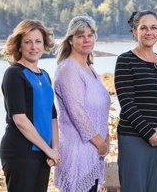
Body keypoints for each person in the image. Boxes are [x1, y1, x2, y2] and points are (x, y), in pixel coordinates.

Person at [114, 10, 157, 192]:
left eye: (153, 27)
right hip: (134, 139)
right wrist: (149, 133)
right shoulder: (125, 61)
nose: (149, 32)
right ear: (135, 31)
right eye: (143, 28)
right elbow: (127, 103)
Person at [0, 19, 60, 192]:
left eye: (38, 41)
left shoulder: (45, 75)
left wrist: (54, 150)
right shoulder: (13, 74)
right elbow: (19, 119)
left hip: (43, 154)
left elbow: (52, 115)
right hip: (20, 152)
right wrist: (48, 149)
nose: (33, 47)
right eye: (28, 42)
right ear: (19, 46)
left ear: (44, 45)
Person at [53, 16, 110, 192]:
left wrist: (105, 140)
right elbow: (77, 113)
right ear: (70, 40)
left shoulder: (89, 68)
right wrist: (101, 143)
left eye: (90, 35)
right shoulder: (69, 68)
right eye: (80, 36)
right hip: (77, 153)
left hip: (92, 151)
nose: (86, 40)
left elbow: (98, 110)